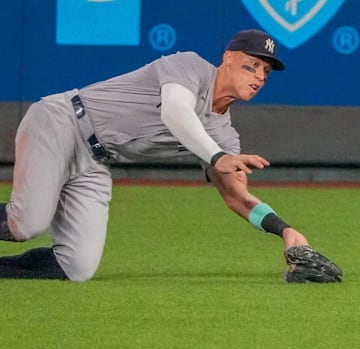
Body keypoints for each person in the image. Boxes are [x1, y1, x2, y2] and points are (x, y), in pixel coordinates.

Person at [0, 29, 309, 281]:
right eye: (251, 65)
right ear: (227, 58)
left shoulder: (224, 137)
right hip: (62, 121)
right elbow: (175, 112)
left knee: (76, 266)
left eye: (265, 71)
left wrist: (283, 229)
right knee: (25, 223)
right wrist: (216, 157)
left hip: (93, 161)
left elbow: (237, 197)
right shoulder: (190, 66)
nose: (259, 76)